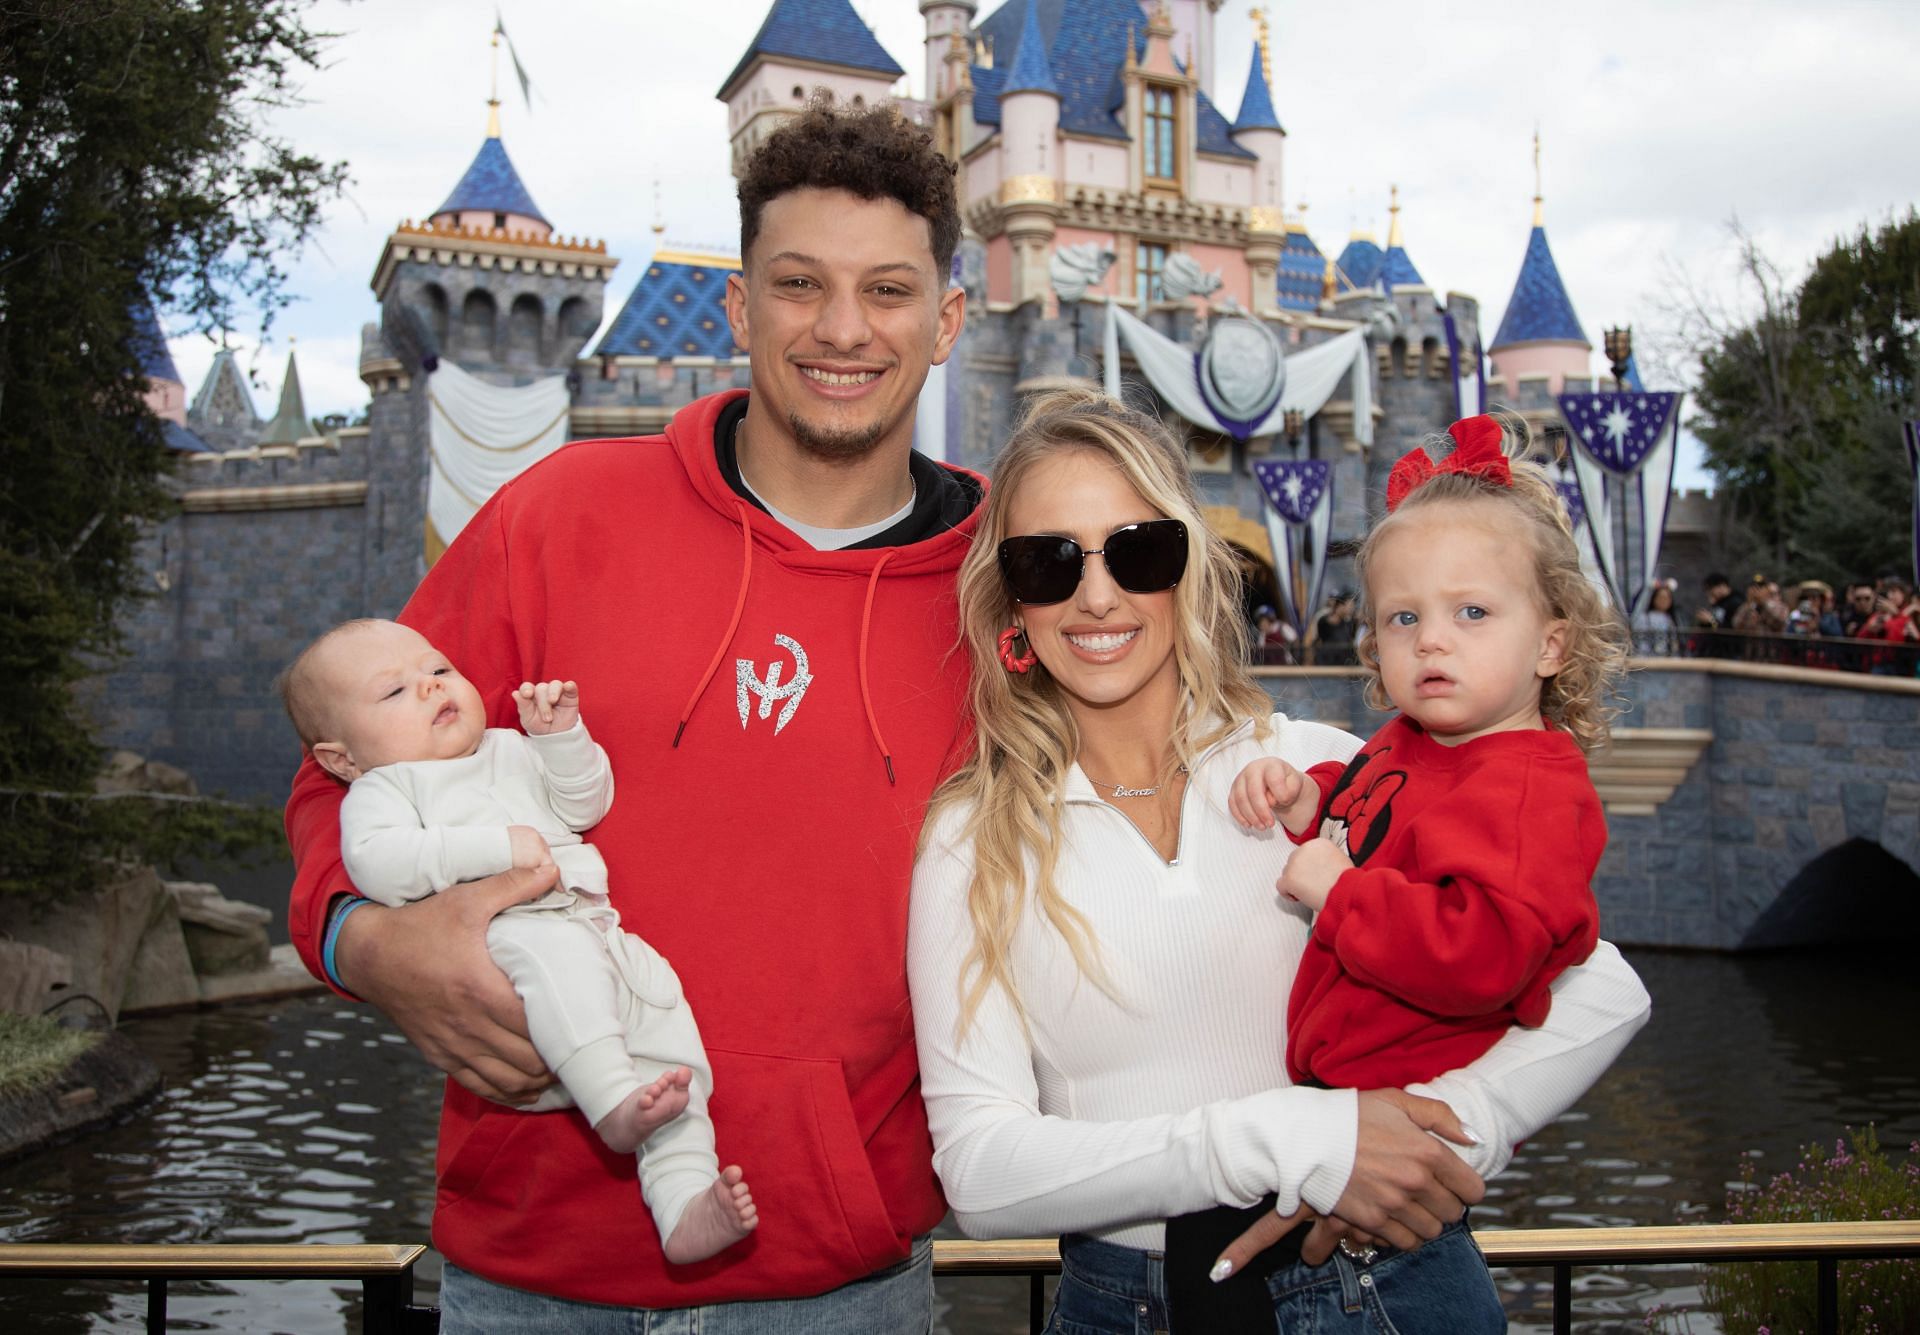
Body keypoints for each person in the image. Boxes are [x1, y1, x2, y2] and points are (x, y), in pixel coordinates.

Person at [284, 100, 981, 1327]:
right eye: (798, 283)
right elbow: (339, 774)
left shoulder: (1013, 582)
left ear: (946, 322)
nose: (840, 329)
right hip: (537, 1267)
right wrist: (368, 946)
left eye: (887, 291)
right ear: (738, 307)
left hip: (837, 1278)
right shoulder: (559, 518)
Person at [907, 390, 1652, 1335]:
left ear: (1190, 565)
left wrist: (1426, 1139)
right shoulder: (975, 836)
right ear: (1010, 596)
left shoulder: (1314, 767)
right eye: (1047, 562)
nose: (1096, 596)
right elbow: (980, 1171)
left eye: (1138, 549)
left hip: (1378, 1277)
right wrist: (1299, 1140)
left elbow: (1602, 986)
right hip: (1126, 1305)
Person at [1216, 413, 1629, 1329]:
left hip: (1394, 1234)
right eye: (1405, 617)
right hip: (1339, 1140)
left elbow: (1483, 953)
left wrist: (1336, 891)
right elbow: (1375, 817)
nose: (1432, 641)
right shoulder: (1417, 742)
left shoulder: (1527, 786)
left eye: (1472, 613)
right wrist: (1306, 797)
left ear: (1553, 644)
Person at [279, 619, 757, 1264]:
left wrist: (561, 741)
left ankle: (684, 1202)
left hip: (596, 927)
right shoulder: (383, 789)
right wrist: (495, 849)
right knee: (565, 970)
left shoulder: (509, 747)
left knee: (669, 1040)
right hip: (515, 933)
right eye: (394, 693)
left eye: (439, 670)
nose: (428, 688)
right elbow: (377, 865)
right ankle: (611, 1099)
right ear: (342, 760)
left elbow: (584, 806)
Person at [1308, 590, 1358, 665]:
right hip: (1326, 663)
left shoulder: (1348, 623)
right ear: (1340, 605)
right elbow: (1316, 640)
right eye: (1349, 605)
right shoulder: (1323, 621)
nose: (1351, 609)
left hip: (1344, 665)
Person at [1632, 581, 1681, 655]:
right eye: (1661, 597)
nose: (1663, 601)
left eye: (1667, 598)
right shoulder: (1644, 618)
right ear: (1654, 599)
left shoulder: (1671, 619)